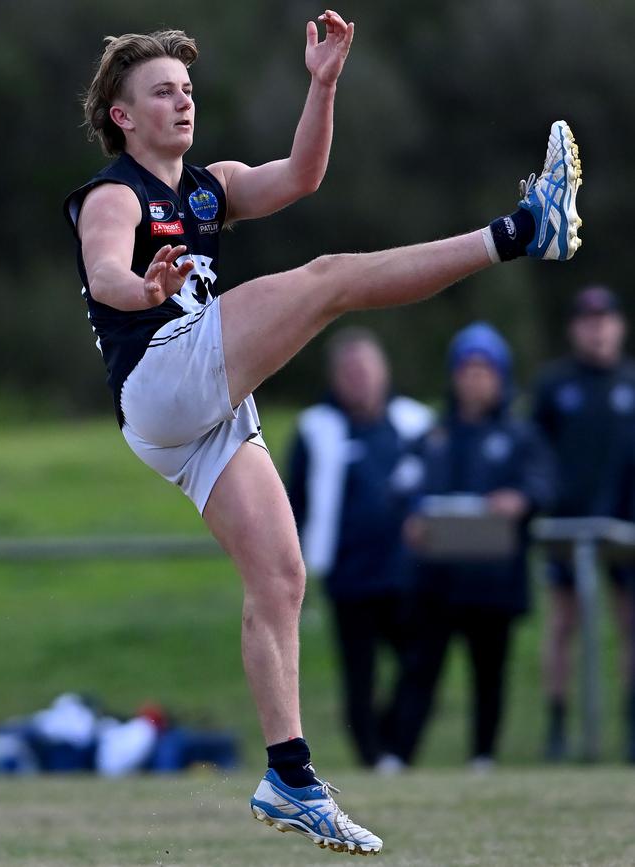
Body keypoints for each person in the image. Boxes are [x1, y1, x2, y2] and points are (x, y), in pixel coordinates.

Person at [63, 9, 582, 855]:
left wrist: (324, 84)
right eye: (163, 92)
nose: (182, 102)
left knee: (281, 575)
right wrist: (143, 290)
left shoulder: (208, 187)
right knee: (331, 279)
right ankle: (522, 229)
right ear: (122, 115)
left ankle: (289, 774)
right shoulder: (116, 193)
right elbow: (106, 273)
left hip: (192, 412)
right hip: (161, 374)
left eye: (188, 89)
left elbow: (301, 176)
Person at [400, 323, 556, 770]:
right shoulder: (435, 435)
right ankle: (400, 756)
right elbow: (405, 488)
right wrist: (412, 518)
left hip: (493, 580)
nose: (474, 378)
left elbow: (543, 484)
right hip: (437, 578)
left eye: (484, 370)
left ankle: (483, 755)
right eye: (466, 369)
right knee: (421, 669)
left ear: (501, 376)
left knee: (489, 672)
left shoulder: (519, 436)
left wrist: (520, 500)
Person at [287, 327, 434, 772]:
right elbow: (294, 501)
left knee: (421, 661)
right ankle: (372, 757)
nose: (360, 380)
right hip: (349, 573)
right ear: (335, 378)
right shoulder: (317, 428)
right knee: (359, 674)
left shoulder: (415, 423)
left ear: (384, 371)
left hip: (410, 572)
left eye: (367, 370)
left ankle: (398, 746)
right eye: (349, 373)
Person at [532, 286, 635, 762]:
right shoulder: (555, 386)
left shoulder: (631, 382)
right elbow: (534, 452)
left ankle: (629, 725)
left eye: (606, 319)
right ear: (575, 329)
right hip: (568, 526)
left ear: (619, 326)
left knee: (629, 623)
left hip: (626, 524)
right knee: (562, 625)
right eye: (588, 321)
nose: (597, 329)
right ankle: (557, 725)